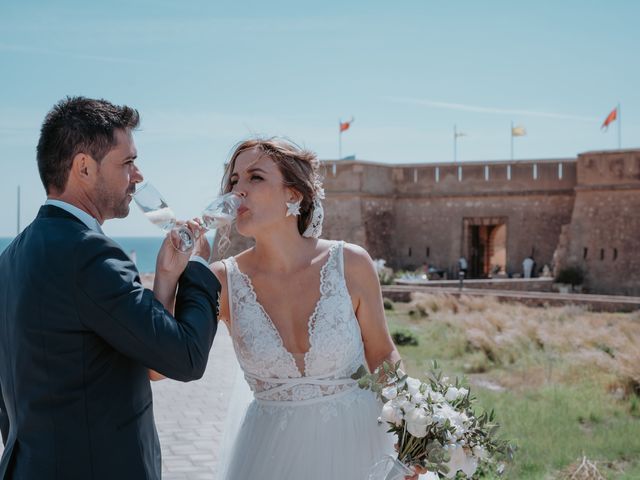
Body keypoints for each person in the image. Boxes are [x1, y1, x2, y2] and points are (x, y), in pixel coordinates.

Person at [0, 97, 220, 480]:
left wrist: (165, 279)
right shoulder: (88, 252)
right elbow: (186, 356)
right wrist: (200, 264)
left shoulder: (12, 256)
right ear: (84, 167)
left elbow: (151, 363)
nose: (137, 177)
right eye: (128, 163)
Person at [202, 138, 424, 479]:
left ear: (293, 195)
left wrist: (411, 428)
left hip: (360, 446)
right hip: (269, 455)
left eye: (255, 177)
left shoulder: (349, 262)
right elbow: (163, 364)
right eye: (234, 180)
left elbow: (381, 352)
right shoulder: (222, 280)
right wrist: (175, 274)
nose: (238, 191)